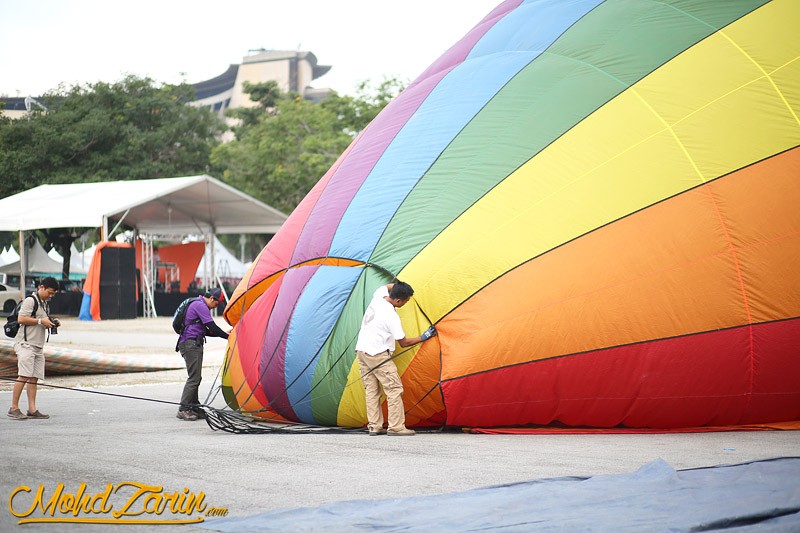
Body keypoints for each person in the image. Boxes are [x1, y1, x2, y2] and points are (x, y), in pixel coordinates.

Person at [355, 281, 437, 436]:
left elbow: (387, 286)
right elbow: (404, 342)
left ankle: (374, 426)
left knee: (372, 391)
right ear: (398, 300)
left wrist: (400, 285)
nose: (406, 303)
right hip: (377, 354)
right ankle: (396, 427)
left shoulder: (378, 297)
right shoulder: (391, 316)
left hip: (361, 351)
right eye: (405, 301)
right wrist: (423, 337)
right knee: (394, 389)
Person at [8, 277, 60, 420]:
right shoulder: (30, 301)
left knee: (34, 377)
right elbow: (21, 319)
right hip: (25, 344)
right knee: (24, 375)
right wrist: (39, 321)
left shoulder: (44, 304)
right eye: (49, 292)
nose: (50, 296)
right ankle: (13, 408)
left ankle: (32, 409)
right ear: (41, 287)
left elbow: (42, 319)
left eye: (53, 294)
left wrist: (52, 322)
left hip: (38, 345)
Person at [175, 288, 229, 421]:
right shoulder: (201, 305)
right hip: (190, 344)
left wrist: (224, 333)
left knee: (196, 377)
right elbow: (212, 326)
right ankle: (183, 409)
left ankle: (193, 406)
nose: (215, 307)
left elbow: (208, 331)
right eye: (216, 304)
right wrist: (228, 336)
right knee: (194, 378)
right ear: (212, 299)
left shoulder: (197, 303)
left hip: (193, 343)